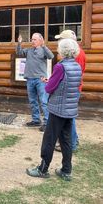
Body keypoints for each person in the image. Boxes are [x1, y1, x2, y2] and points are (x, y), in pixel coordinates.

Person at [26, 38, 82, 181]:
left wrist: (48, 82)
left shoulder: (60, 67)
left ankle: (42, 169)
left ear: (62, 51)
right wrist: (51, 81)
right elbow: (68, 84)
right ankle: (66, 170)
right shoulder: (76, 66)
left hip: (58, 109)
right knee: (66, 141)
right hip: (70, 109)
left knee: (49, 140)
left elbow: (50, 88)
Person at [54, 30, 86, 152]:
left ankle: (71, 144)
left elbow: (73, 75)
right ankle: (73, 140)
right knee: (69, 116)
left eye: (61, 39)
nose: (59, 42)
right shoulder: (77, 53)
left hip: (71, 90)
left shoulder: (77, 55)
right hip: (72, 89)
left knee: (69, 117)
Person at [16, 33, 54, 131]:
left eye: (35, 39)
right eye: (32, 39)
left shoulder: (43, 50)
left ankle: (47, 123)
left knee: (44, 101)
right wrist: (19, 43)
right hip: (30, 79)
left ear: (40, 40)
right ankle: (36, 120)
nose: (32, 41)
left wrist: (44, 45)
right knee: (33, 101)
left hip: (40, 80)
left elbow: (51, 56)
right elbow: (19, 53)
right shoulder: (29, 50)